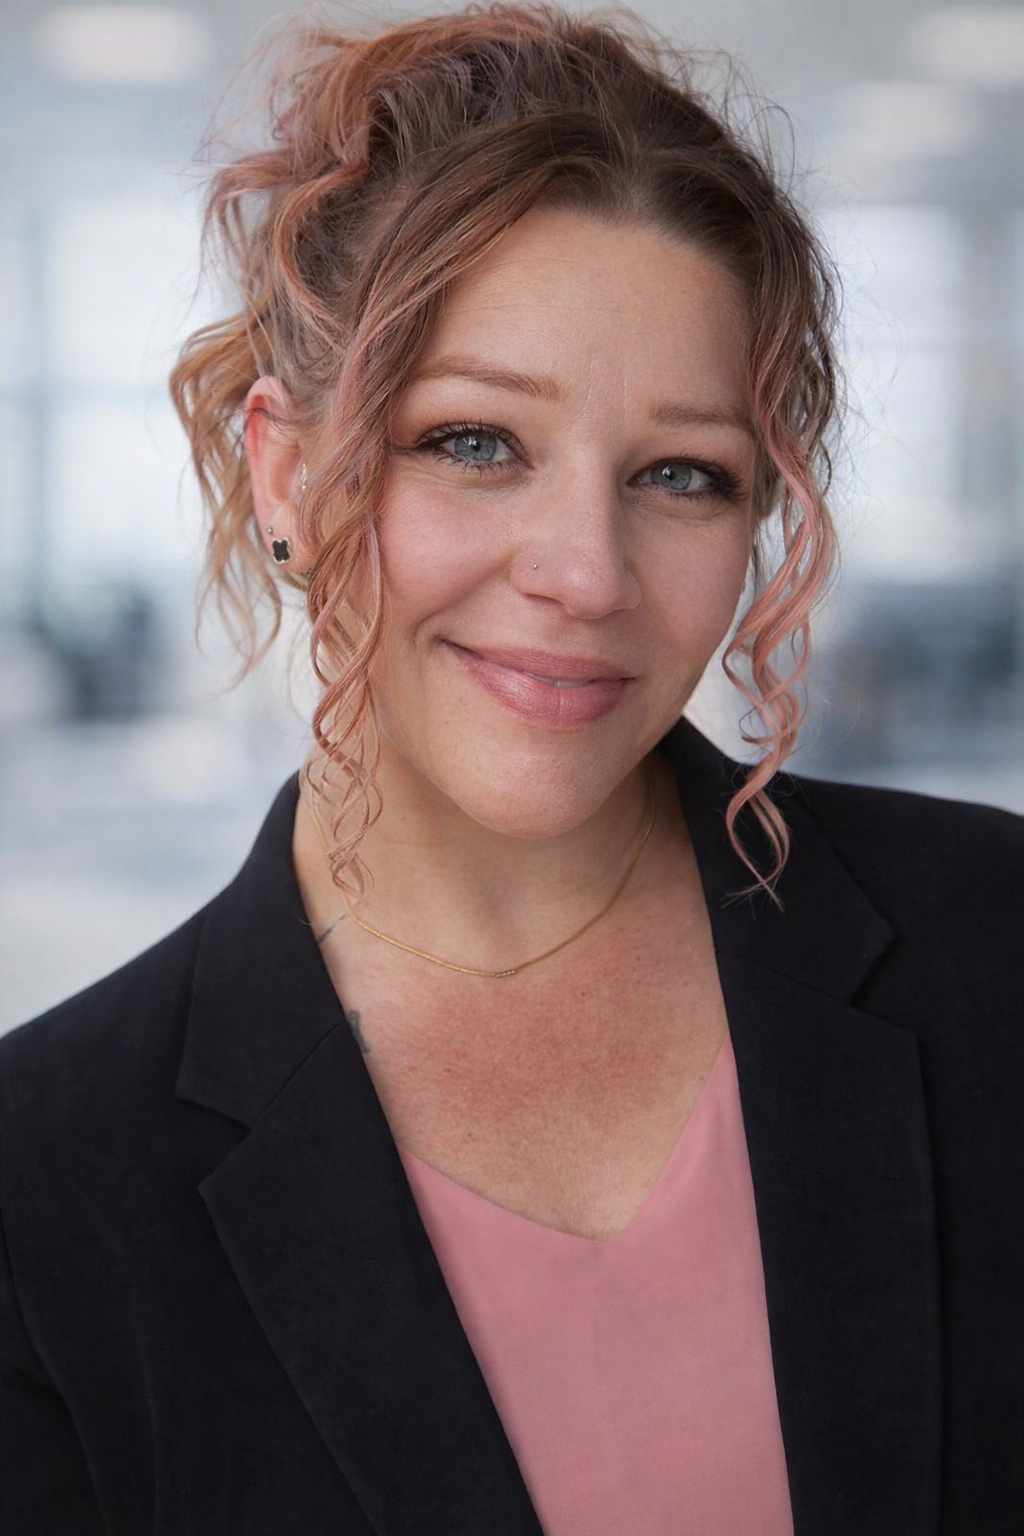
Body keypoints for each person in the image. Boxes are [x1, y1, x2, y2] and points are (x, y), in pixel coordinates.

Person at [1, 3, 1021, 1532]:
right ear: (288, 471)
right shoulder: (50, 1177)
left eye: (683, 474)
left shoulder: (994, 949)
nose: (586, 573)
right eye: (476, 442)